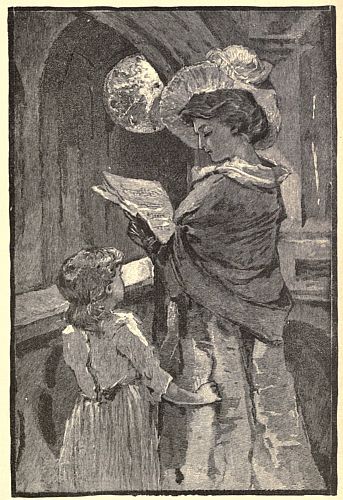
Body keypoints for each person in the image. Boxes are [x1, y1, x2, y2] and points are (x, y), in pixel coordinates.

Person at [127, 52, 325, 490]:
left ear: (236, 125)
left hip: (216, 320)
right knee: (272, 416)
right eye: (197, 134)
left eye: (207, 132)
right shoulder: (270, 181)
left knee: (224, 418)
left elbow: (185, 254)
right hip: (263, 312)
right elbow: (234, 255)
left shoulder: (217, 187)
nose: (201, 144)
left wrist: (151, 239)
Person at [56, 247, 220, 493]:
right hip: (125, 417)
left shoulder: (71, 334)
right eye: (119, 276)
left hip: (89, 418)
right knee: (130, 478)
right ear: (108, 288)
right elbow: (159, 382)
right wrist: (200, 398)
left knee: (97, 477)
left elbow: (90, 386)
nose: (123, 281)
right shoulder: (122, 328)